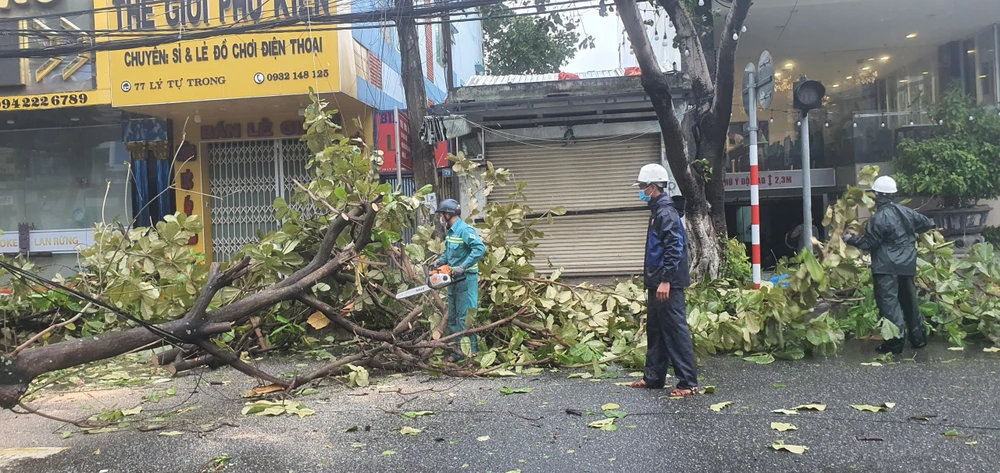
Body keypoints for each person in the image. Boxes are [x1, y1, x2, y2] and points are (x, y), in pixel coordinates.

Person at [629, 164, 699, 397]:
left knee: (675, 330)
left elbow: (674, 246)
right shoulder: (658, 210)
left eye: (642, 186)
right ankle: (654, 377)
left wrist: (666, 280)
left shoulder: (665, 212)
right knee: (656, 329)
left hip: (666, 282)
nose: (640, 190)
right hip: (657, 280)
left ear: (652, 187)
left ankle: (688, 383)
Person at [845, 176, 936, 354]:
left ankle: (895, 343)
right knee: (910, 302)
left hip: (886, 267)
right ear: (892, 195)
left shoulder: (877, 218)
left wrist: (850, 240)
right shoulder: (907, 212)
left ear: (877, 195)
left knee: (889, 305)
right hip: (906, 265)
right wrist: (910, 233)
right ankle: (918, 340)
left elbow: (868, 244)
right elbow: (928, 223)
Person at [432, 199, 486, 360]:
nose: (441, 218)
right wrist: (441, 261)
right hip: (453, 279)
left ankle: (471, 353)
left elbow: (479, 248)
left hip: (466, 279)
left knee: (465, 318)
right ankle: (458, 352)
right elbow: (450, 252)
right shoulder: (450, 232)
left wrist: (464, 266)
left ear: (449, 214)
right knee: (453, 317)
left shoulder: (464, 230)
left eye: (442, 214)